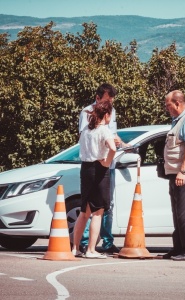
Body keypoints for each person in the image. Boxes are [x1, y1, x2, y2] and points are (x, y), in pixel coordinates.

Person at [79, 83, 123, 254]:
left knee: (107, 205)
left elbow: (112, 133)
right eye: (106, 102)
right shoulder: (86, 112)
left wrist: (116, 140)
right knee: (91, 208)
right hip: (96, 162)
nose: (109, 106)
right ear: (97, 99)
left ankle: (106, 241)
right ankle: (86, 243)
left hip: (108, 164)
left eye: (111, 102)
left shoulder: (112, 112)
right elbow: (87, 135)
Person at [159, 90, 185, 261]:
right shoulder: (177, 120)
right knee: (177, 212)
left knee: (184, 212)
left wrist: (183, 171)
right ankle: (178, 248)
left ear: (177, 103)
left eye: (168, 105)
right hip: (175, 173)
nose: (166, 109)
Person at [72, 100, 116, 258]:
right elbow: (113, 148)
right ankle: (91, 249)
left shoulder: (86, 130)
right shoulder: (104, 130)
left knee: (84, 212)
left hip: (85, 169)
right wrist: (107, 163)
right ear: (106, 115)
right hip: (99, 169)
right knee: (98, 212)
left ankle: (75, 248)